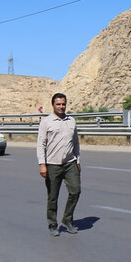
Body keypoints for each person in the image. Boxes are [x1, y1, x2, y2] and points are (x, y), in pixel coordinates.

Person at [37, 92, 81, 236]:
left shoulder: (71, 121)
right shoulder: (46, 122)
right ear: (53, 105)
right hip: (52, 164)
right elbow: (41, 144)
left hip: (70, 163)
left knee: (75, 191)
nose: (61, 107)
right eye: (58, 104)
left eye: (63, 104)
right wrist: (42, 164)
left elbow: (75, 142)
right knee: (53, 196)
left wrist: (78, 160)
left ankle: (67, 220)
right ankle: (52, 224)